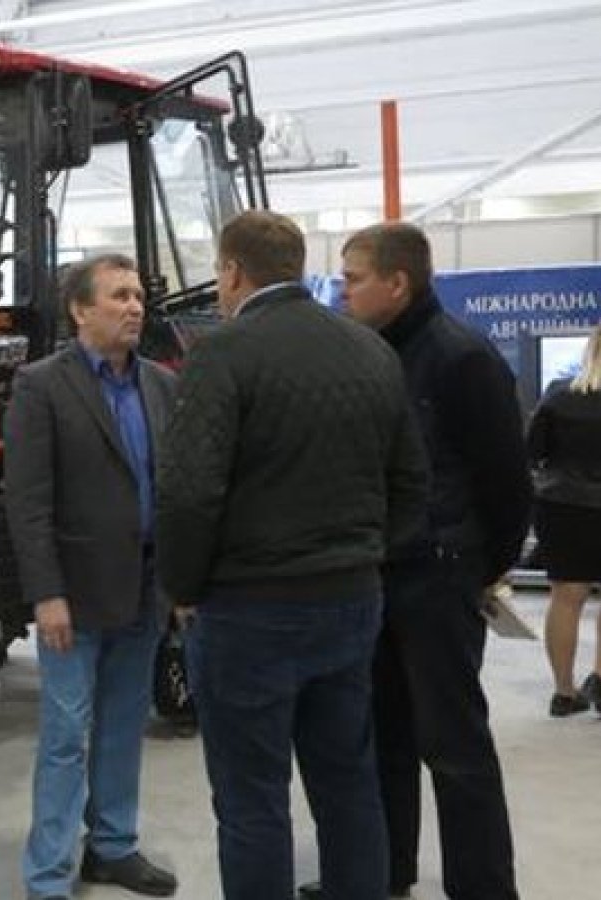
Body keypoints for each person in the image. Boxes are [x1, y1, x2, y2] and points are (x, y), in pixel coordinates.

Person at [156, 210, 429, 900]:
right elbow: (411, 483)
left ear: (233, 271)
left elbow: (190, 494)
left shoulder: (221, 354)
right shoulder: (371, 350)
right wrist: (364, 555)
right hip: (351, 602)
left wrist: (183, 587)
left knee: (252, 799)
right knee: (347, 781)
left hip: (248, 609)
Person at [330, 220, 531, 900]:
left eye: (352, 278)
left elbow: (507, 484)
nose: (341, 290)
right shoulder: (368, 355)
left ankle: (482, 886)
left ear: (398, 282)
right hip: (379, 575)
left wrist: (476, 568)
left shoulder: (462, 358)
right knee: (382, 734)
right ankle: (387, 870)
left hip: (438, 576)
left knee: (454, 746)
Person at [6, 254, 179, 900]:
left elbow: (173, 489)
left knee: (122, 725)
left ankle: (112, 846)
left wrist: (178, 584)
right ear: (81, 309)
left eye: (137, 295)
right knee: (65, 737)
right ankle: (49, 875)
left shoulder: (161, 385)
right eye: (118, 296)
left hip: (144, 588)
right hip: (72, 599)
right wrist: (46, 593)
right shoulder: (41, 386)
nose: (134, 306)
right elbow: (29, 502)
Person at [527, 316, 601, 718]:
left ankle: (564, 692)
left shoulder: (557, 395)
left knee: (566, 597)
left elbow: (532, 454)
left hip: (562, 508)